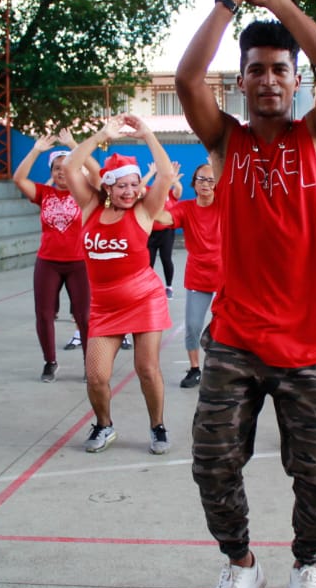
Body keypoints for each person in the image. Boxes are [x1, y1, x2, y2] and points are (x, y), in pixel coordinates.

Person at [175, 0, 316, 588]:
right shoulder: (227, 140)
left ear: (295, 78)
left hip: (313, 341)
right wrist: (228, 1)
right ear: (243, 81)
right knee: (212, 461)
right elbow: (190, 77)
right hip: (236, 338)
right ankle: (241, 564)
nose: (270, 78)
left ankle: (308, 566)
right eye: (257, 69)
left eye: (281, 68)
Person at [62, 114, 175, 454]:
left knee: (146, 368)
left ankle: (157, 426)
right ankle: (104, 425)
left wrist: (147, 134)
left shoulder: (144, 210)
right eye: (121, 185)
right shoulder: (91, 207)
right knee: (96, 376)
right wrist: (101, 135)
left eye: (134, 184)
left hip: (145, 299)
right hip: (105, 306)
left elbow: (166, 174)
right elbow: (70, 167)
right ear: (107, 186)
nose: (129, 191)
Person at [12, 131, 94, 383]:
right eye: (57, 168)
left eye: (67, 167)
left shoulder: (85, 194)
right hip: (48, 262)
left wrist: (72, 145)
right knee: (44, 314)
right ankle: (50, 362)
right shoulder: (44, 194)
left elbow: (96, 171)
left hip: (79, 262)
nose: (62, 172)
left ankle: (89, 363)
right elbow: (18, 178)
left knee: (84, 316)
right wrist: (36, 150)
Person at [159, 162, 222, 390]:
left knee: (225, 328)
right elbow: (160, 217)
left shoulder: (226, 205)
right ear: (193, 183)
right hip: (198, 276)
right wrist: (165, 181)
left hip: (227, 278)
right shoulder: (185, 208)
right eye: (201, 179)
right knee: (194, 326)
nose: (205, 184)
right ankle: (195, 369)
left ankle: (221, 369)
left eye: (210, 179)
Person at [146, 161, 183, 298]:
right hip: (150, 233)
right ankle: (148, 288)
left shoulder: (171, 193)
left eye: (163, 178)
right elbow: (139, 189)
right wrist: (150, 173)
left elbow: (179, 191)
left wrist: (174, 181)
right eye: (158, 178)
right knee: (148, 262)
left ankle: (169, 286)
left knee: (166, 259)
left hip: (167, 232)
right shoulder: (149, 192)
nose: (161, 181)